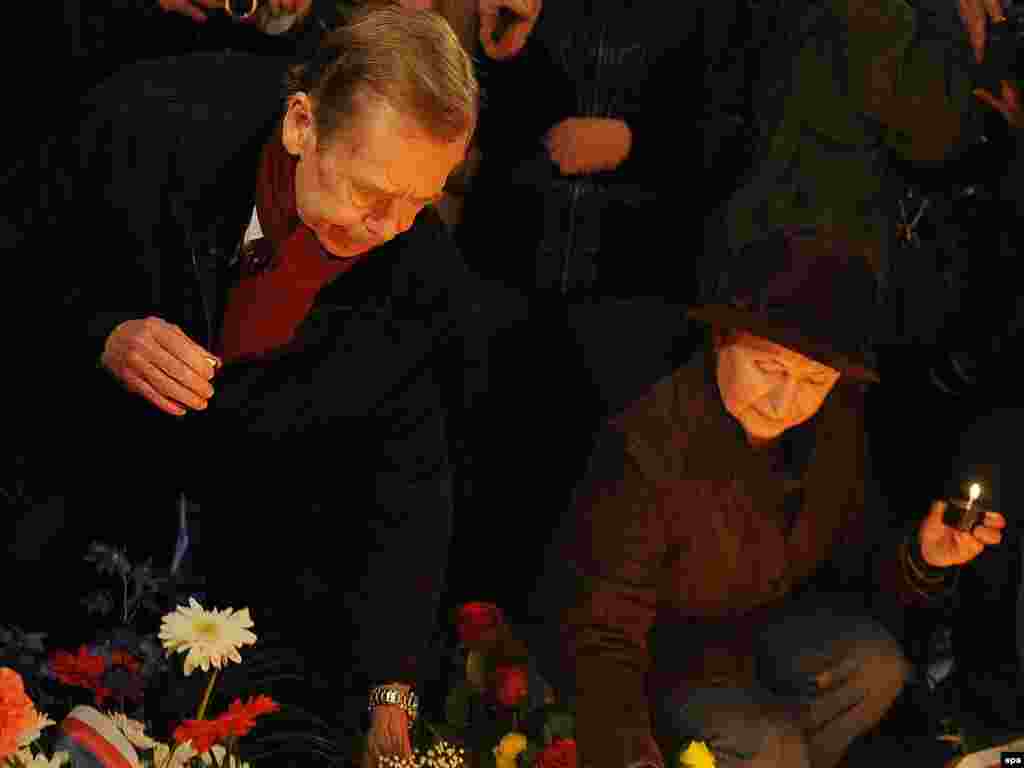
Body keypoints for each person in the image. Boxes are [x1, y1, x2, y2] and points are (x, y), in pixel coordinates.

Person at [13, 5, 478, 764]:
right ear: (302, 125)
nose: (387, 227)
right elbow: (21, 269)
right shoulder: (146, 127)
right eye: (370, 191)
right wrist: (102, 336)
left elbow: (411, 493)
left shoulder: (419, 273)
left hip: (253, 598)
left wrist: (390, 693)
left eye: (419, 200)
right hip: (62, 536)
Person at [522, 226, 1005, 768]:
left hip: (757, 632)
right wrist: (628, 751)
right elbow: (602, 629)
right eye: (768, 368)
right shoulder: (649, 444)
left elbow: (852, 563)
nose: (784, 402)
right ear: (722, 340)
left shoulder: (833, 427)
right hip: (657, 654)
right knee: (770, 745)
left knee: (875, 667)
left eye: (813, 380)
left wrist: (923, 555)